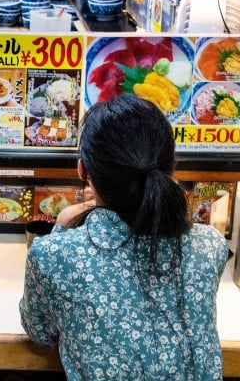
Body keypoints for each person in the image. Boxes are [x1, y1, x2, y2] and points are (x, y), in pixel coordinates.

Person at [19, 94, 229, 381]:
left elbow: (41, 332)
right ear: (170, 166)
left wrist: (63, 229)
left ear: (84, 170)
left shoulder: (53, 255)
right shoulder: (211, 245)